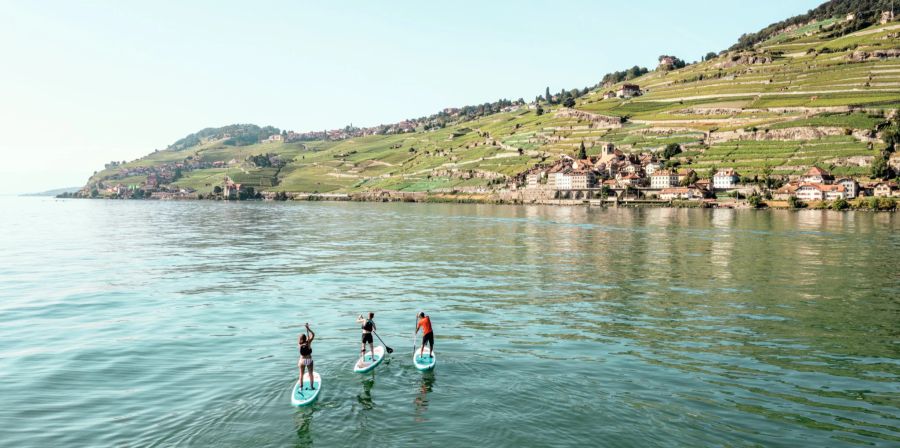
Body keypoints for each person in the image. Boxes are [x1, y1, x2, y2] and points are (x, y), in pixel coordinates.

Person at [297, 323, 315, 390]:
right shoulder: (308, 343)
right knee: (310, 374)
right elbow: (313, 335)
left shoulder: (299, 344)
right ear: (305, 338)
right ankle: (312, 387)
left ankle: (301, 387)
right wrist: (308, 329)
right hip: (309, 360)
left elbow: (303, 342)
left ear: (300, 339)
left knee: (301, 374)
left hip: (302, 361)